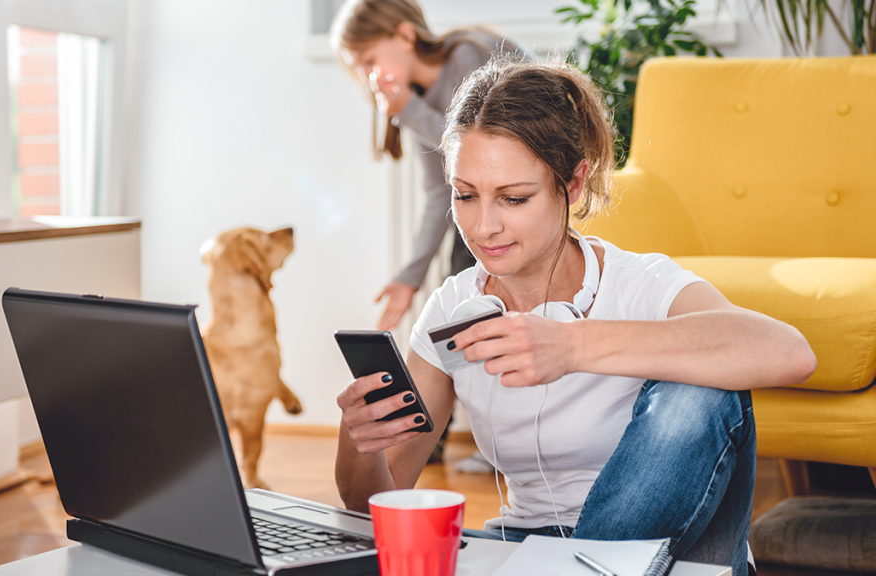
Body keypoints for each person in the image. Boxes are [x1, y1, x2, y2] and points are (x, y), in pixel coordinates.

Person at [334, 57, 817, 576]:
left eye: (514, 198)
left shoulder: (640, 284)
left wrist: (572, 346)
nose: (484, 225)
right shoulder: (455, 310)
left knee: (703, 384)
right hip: (527, 551)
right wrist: (358, 441)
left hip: (679, 558)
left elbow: (791, 353)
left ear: (574, 184)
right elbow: (372, 507)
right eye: (465, 195)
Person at [331, 0, 524, 331]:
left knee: (469, 282)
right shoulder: (418, 102)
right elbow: (440, 193)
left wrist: (408, 110)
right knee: (457, 288)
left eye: (369, 61)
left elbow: (485, 149)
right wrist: (410, 279)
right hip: (491, 202)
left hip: (524, 190)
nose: (367, 77)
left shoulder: (468, 54)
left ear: (405, 36)